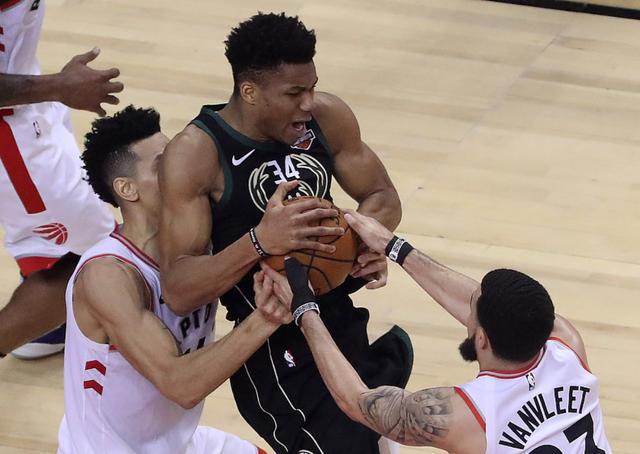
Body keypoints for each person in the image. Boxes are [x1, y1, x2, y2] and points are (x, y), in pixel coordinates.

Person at [159, 12, 413, 454]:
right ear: (249, 92)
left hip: (338, 317)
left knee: (375, 441)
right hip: (275, 343)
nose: (309, 103)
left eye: (312, 87)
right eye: (295, 93)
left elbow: (383, 196)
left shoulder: (327, 117)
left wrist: (355, 244)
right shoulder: (197, 153)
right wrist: (260, 242)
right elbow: (179, 289)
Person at [259, 210, 612, 453]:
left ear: (482, 338)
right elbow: (484, 305)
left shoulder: (462, 415)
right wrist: (394, 247)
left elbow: (356, 401)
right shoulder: (566, 346)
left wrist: (304, 308)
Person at [57, 105, 280, 454]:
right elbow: (180, 385)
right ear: (127, 189)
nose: (180, 167)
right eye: (163, 164)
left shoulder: (198, 237)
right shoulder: (107, 276)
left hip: (178, 441)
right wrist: (265, 318)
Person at [0, 0, 122, 359]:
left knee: (56, 240)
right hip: (11, 131)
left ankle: (47, 328)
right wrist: (58, 86)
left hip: (28, 99)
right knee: (105, 255)